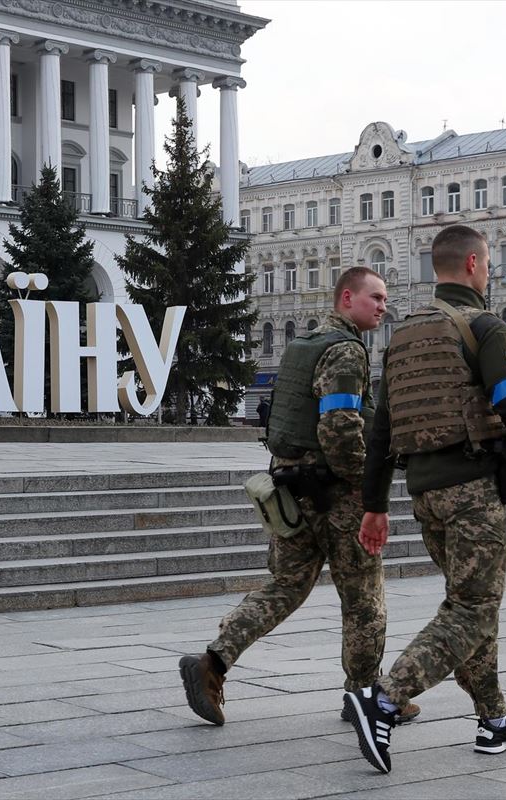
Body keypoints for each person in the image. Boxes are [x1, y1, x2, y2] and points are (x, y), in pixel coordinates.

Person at [344, 224, 506, 774]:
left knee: (468, 604)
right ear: (477, 266)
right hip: (471, 487)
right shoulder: (481, 326)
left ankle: (495, 720)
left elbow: (381, 430)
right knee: (475, 608)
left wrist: (375, 503)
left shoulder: (404, 335)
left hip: (424, 493)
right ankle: (382, 699)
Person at [179, 267, 419, 726]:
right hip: (335, 494)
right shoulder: (345, 351)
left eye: (385, 298)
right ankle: (365, 697)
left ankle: (214, 661)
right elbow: (341, 427)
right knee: (364, 598)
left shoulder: (302, 347)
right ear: (346, 298)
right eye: (376, 297)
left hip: (292, 488)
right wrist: (366, 491)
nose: (383, 306)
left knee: (286, 586)